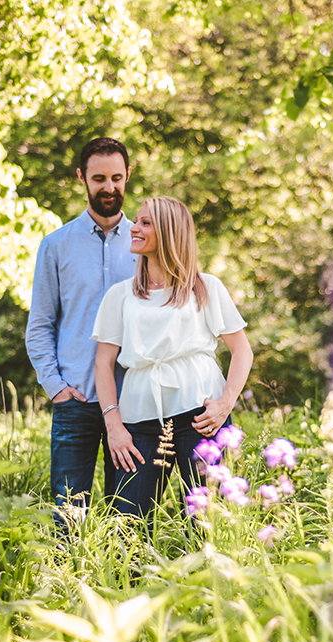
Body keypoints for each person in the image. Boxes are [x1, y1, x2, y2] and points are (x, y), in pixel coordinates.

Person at [91, 196, 253, 519]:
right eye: (136, 221)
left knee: (207, 522)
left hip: (201, 416)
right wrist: (113, 426)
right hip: (139, 422)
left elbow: (242, 351)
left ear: (169, 232)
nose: (133, 228)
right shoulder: (120, 296)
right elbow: (103, 364)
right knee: (127, 525)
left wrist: (225, 404)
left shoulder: (206, 288)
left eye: (145, 223)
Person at [25, 137, 137, 527]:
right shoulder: (56, 246)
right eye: (99, 178)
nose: (109, 187)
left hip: (132, 401)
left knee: (131, 519)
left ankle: (128, 588)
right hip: (76, 401)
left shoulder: (146, 243)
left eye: (117, 178)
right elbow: (39, 325)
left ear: (127, 177)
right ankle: (69, 588)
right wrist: (55, 386)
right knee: (68, 520)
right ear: (82, 178)